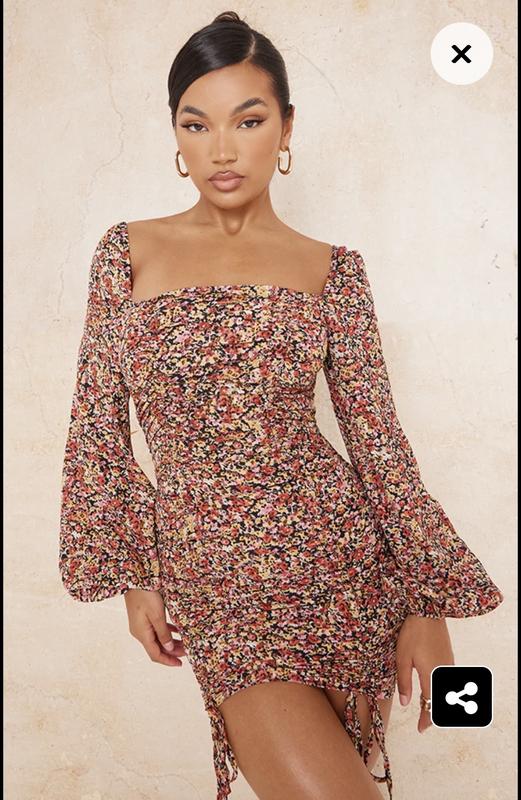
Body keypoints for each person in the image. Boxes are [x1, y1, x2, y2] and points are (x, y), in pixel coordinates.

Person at [59, 11, 504, 800]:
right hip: (215, 582)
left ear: (286, 128)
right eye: (196, 124)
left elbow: (377, 444)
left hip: (342, 567)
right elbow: (97, 428)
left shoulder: (332, 269)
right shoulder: (126, 252)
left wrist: (425, 602)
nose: (222, 150)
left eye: (248, 120)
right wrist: (134, 573)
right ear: (175, 135)